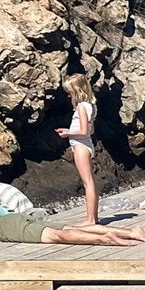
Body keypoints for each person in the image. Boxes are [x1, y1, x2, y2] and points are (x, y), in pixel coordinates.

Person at [56, 73, 98, 227]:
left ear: (77, 91)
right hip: (84, 143)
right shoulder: (91, 105)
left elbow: (84, 131)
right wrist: (69, 130)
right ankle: (94, 217)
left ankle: (90, 220)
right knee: (90, 182)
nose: (69, 96)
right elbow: (88, 130)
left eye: (70, 93)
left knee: (87, 183)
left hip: (81, 144)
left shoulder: (81, 107)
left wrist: (67, 133)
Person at [0, 208, 145, 246]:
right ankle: (131, 232)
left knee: (55, 236)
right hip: (10, 218)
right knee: (71, 228)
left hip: (4, 229)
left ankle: (104, 239)